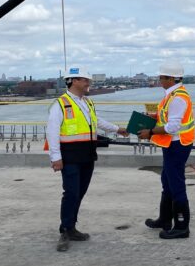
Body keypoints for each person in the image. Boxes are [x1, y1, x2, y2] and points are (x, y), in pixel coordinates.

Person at [46, 66, 128, 252]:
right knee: (71, 193)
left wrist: (117, 129)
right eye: (85, 80)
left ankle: (71, 226)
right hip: (70, 157)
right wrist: (55, 158)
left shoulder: (87, 102)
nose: (88, 83)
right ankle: (65, 230)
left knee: (80, 193)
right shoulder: (60, 104)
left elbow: (96, 121)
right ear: (74, 81)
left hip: (87, 155)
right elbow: (52, 133)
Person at [137, 61, 195, 239]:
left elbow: (173, 126)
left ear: (170, 78)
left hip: (178, 145)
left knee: (176, 184)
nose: (159, 80)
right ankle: (164, 219)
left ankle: (181, 226)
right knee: (167, 181)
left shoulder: (177, 97)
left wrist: (150, 132)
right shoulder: (172, 95)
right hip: (172, 145)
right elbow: (168, 117)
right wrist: (153, 117)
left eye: (161, 77)